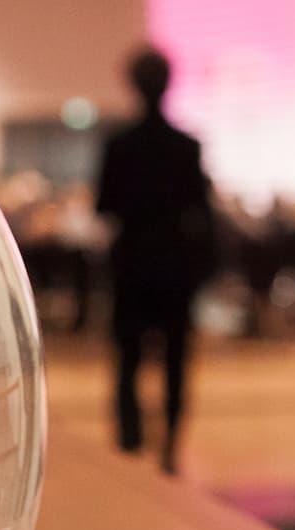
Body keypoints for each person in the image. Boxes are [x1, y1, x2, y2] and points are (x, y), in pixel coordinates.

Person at [95, 48, 215, 474]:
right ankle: (170, 449)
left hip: (132, 267)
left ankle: (129, 446)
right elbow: (202, 211)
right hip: (175, 269)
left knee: (127, 361)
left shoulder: (119, 145)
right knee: (176, 361)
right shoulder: (186, 147)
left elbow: (104, 206)